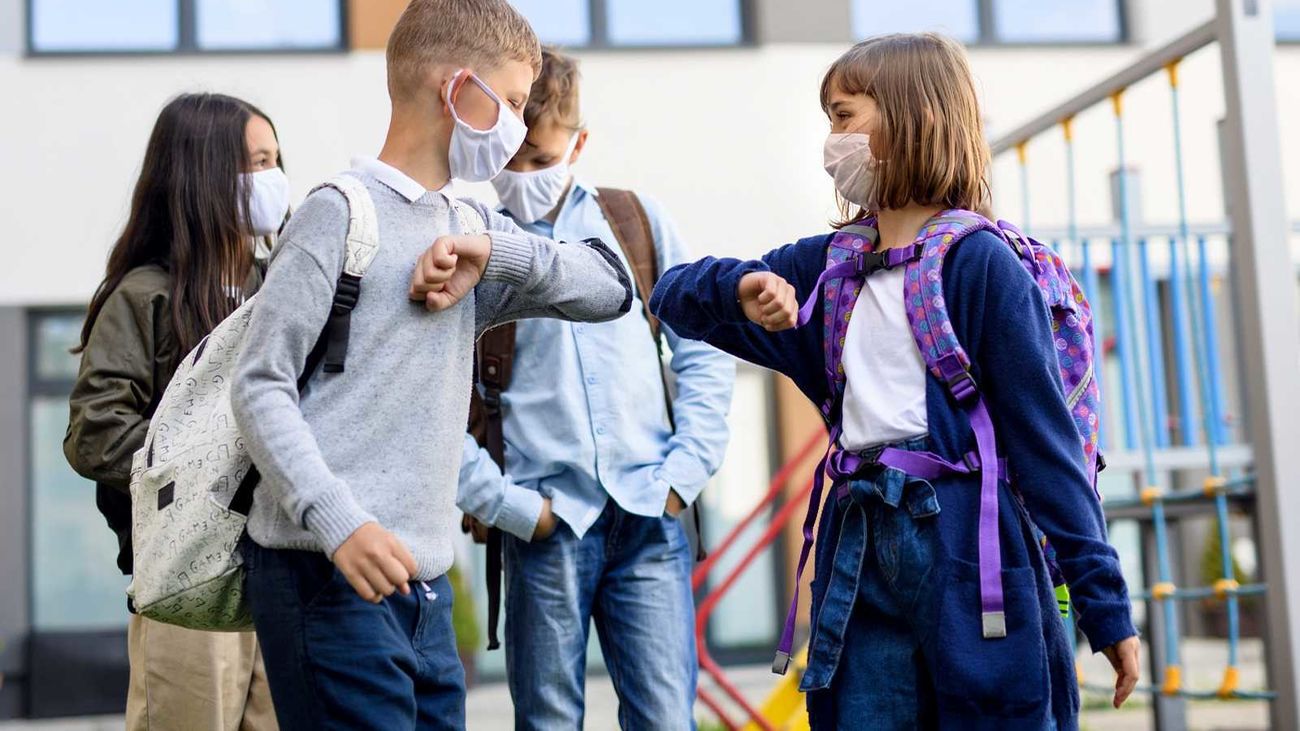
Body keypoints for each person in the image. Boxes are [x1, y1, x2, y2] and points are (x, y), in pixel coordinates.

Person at [648, 34, 1140, 729]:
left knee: (993, 712)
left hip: (970, 549)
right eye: (827, 120)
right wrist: (741, 287)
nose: (830, 140)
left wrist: (1105, 607)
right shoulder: (823, 270)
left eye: (844, 116)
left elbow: (1047, 450)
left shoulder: (981, 267)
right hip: (858, 548)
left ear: (912, 118)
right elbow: (672, 294)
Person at [228, 1, 632, 729]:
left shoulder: (472, 225)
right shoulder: (337, 212)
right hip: (325, 571)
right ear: (457, 89)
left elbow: (612, 290)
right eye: (509, 102)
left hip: (426, 588)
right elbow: (259, 383)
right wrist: (340, 522)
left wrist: (497, 254)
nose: (515, 124)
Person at [457, 47, 735, 730]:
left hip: (649, 513)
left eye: (542, 160)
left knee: (667, 718)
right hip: (546, 522)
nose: (524, 178)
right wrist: (511, 506)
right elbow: (431, 401)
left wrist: (684, 473)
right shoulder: (472, 242)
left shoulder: (634, 221)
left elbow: (702, 346)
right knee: (548, 719)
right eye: (510, 163)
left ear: (579, 144)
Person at [65, 92, 286, 731]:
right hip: (188, 581)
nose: (272, 179)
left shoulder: (280, 287)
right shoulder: (144, 297)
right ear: (203, 177)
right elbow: (96, 434)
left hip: (279, 574)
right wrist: (212, 472)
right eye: (255, 163)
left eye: (276, 159)